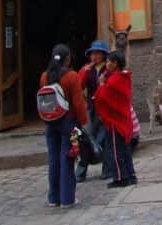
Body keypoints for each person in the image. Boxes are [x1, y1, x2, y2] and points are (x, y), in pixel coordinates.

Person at [39, 44, 88, 208]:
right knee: (67, 158)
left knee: (53, 159)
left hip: (50, 123)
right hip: (68, 122)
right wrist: (83, 122)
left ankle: (53, 197)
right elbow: (78, 103)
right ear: (68, 58)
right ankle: (67, 198)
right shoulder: (72, 76)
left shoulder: (45, 76)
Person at [94, 51, 136, 188]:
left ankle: (120, 177)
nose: (107, 64)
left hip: (115, 122)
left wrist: (101, 85)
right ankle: (130, 175)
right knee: (125, 149)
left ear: (115, 63)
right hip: (123, 120)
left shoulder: (114, 79)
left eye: (109, 62)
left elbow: (103, 97)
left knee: (115, 150)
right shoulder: (123, 77)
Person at [76, 39, 110, 182]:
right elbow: (78, 85)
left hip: (105, 109)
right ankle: (81, 171)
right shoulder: (86, 69)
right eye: (92, 54)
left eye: (97, 53)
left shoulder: (108, 69)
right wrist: (85, 71)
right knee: (85, 140)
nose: (94, 57)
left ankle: (106, 170)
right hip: (90, 108)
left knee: (104, 139)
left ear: (103, 55)